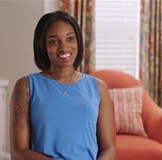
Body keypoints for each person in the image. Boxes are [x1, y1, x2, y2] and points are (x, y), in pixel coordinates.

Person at [9, 11, 116, 160]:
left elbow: (109, 149)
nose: (64, 47)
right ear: (42, 46)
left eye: (70, 39)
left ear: (77, 41)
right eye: (53, 41)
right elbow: (18, 152)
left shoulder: (99, 88)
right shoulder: (25, 87)